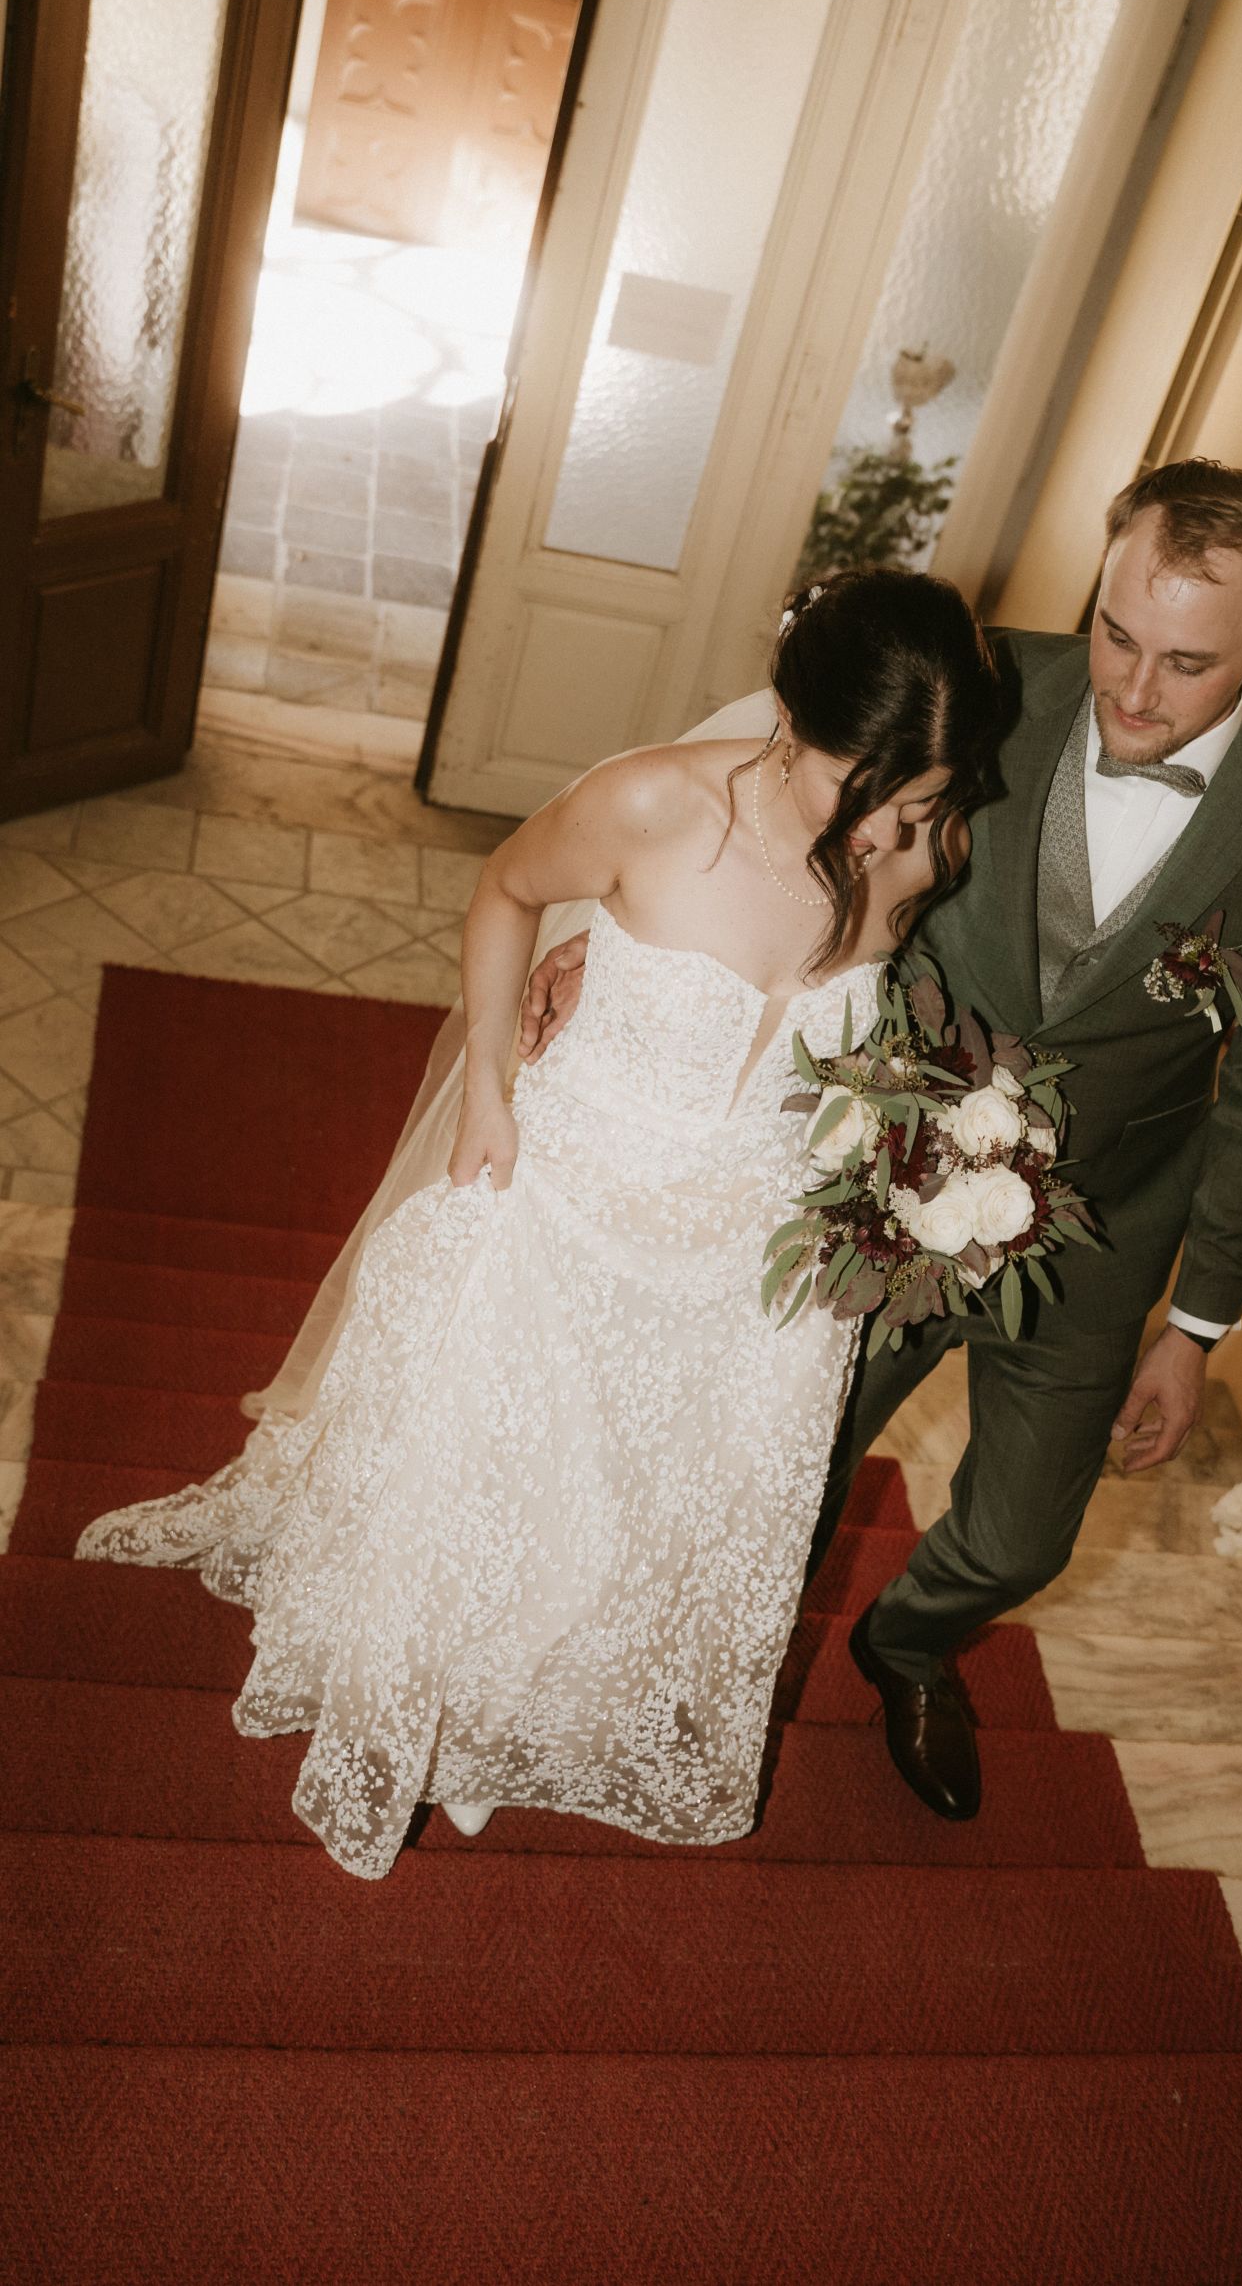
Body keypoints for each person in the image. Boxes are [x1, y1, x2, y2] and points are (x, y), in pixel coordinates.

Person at [75, 569, 1004, 1879]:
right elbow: (508, 891)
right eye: (867, 793)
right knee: (501, 1474)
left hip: (749, 1254)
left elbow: (856, 1028)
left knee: (645, 1503)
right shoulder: (651, 804)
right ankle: (440, 1713)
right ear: (794, 722)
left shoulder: (916, 848)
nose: (885, 833)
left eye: (916, 802)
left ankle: (536, 1708)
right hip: (570, 1197)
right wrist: (489, 1095)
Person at [525, 461, 1242, 1823]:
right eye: (1115, 633)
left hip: (1105, 1228)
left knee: (1023, 1539)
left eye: (1187, 663)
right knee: (783, 1476)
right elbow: (787, 808)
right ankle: (686, 1667)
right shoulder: (989, 687)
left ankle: (906, 1641)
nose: (1133, 691)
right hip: (875, 1177)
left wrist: (1197, 1326)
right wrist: (621, 938)